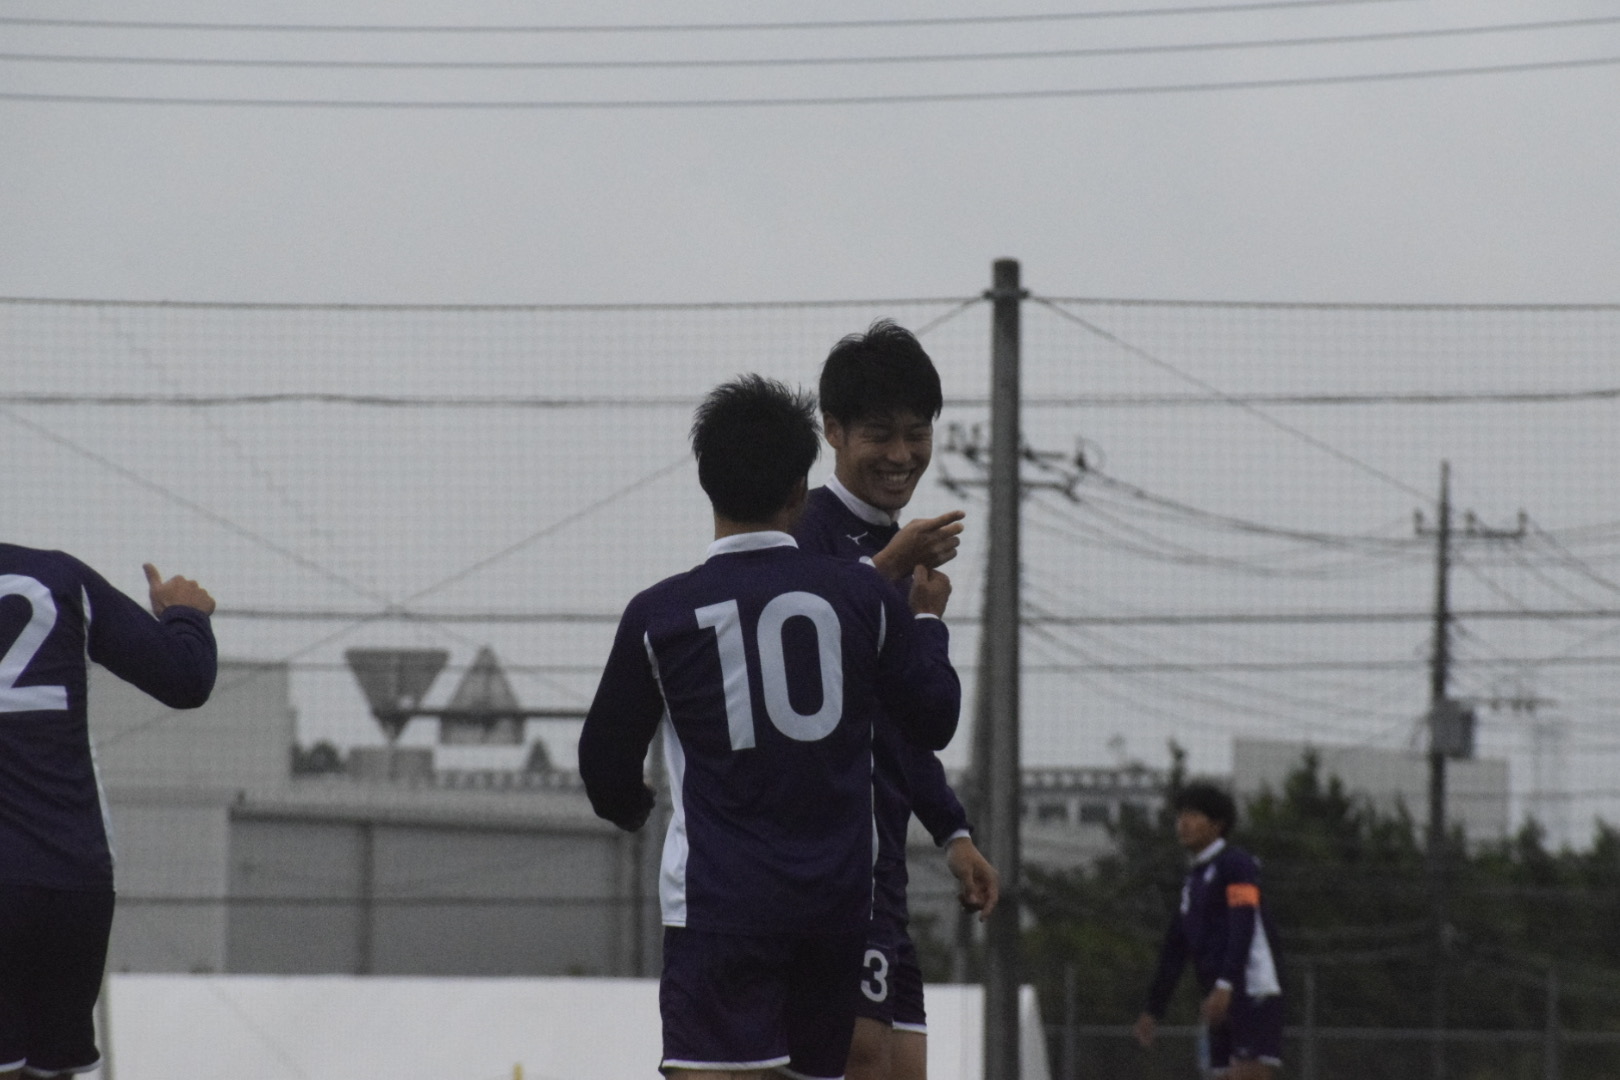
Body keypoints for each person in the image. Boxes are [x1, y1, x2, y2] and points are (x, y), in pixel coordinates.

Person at [578, 375, 962, 1080]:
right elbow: (934, 717)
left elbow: (605, 770)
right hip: (836, 907)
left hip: (720, 904)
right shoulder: (862, 595)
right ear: (799, 490)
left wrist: (634, 809)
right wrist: (928, 623)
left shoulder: (660, 615)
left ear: (707, 484)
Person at [794, 320, 999, 1080]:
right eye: (880, 434)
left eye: (918, 434)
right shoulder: (805, 530)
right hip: (825, 869)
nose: (902, 455)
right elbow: (800, 644)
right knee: (862, 1058)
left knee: (905, 1066)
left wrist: (952, 832)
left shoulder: (908, 560)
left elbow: (921, 719)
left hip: (885, 869)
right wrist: (889, 567)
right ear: (833, 431)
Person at [0, 550, 217, 1080]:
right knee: (50, 1067)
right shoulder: (59, 576)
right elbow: (186, 678)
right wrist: (186, 615)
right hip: (72, 877)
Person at [1133, 782, 1284, 1080]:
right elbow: (1175, 948)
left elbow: (1243, 922)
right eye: (1180, 816)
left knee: (1248, 1073)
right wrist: (1154, 1008)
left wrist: (1226, 984)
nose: (1183, 823)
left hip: (1251, 988)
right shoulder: (1193, 880)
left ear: (1217, 824)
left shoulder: (1238, 865)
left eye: (1193, 815)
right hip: (1216, 996)